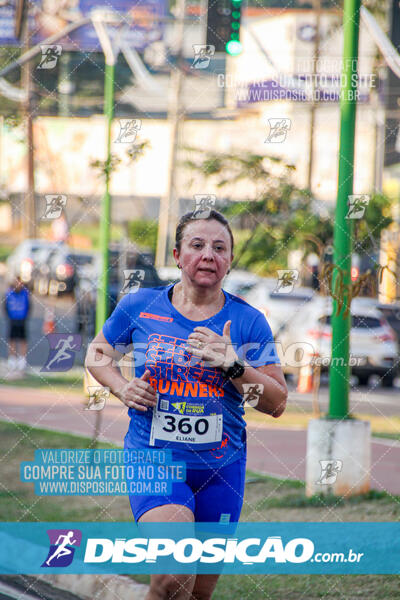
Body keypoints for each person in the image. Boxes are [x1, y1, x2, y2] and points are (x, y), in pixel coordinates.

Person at [85, 209, 288, 600]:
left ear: (229, 261)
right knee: (174, 576)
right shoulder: (140, 305)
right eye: (197, 245)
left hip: (221, 471)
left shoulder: (248, 321)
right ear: (177, 255)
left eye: (219, 247)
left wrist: (233, 365)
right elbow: (97, 353)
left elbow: (276, 403)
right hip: (154, 461)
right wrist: (121, 388)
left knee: (196, 593)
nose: (208, 255)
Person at [4, 276, 31, 375]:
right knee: (12, 339)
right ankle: (12, 358)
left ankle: (22, 359)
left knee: (23, 339)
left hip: (22, 320)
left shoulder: (25, 293)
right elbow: (5, 307)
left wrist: (25, 316)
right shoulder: (9, 293)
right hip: (13, 319)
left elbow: (28, 306)